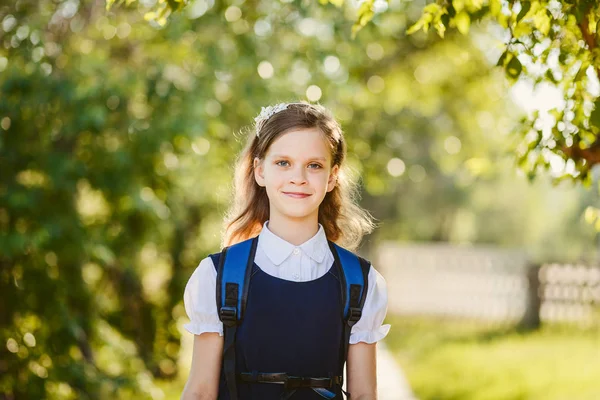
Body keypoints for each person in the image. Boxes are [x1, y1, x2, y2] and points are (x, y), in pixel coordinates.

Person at [181, 101, 391, 400]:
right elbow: (200, 393)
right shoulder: (217, 276)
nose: (299, 178)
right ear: (259, 170)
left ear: (332, 176)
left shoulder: (361, 282)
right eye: (283, 163)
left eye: (314, 165)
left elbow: (362, 395)